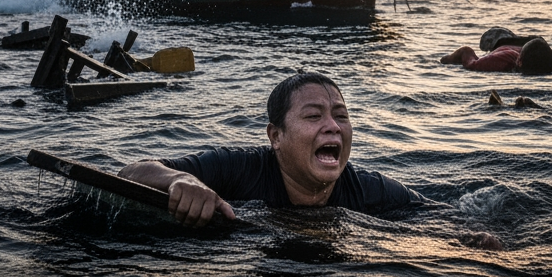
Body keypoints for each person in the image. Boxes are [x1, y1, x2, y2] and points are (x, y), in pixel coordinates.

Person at [118, 72, 504, 249]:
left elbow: (434, 216)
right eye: (314, 116)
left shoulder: (370, 189)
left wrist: (470, 238)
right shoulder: (238, 167)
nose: (333, 126)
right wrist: (182, 181)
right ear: (276, 136)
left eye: (341, 115)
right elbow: (131, 171)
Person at [441, 36, 552, 74]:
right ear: (519, 62)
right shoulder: (501, 60)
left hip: (534, 48)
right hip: (504, 42)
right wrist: (445, 60)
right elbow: (466, 51)